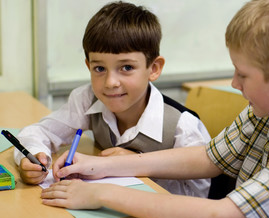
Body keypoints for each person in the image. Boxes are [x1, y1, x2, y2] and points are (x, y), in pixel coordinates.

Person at [41, 0, 269, 218]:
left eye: (242, 74)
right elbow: (208, 157)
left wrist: (102, 195)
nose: (234, 83)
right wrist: (102, 165)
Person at [14, 1, 211, 198]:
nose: (110, 82)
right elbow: (37, 132)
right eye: (99, 68)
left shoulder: (182, 127)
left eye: (126, 68)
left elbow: (197, 197)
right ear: (88, 65)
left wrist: (135, 166)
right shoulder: (87, 99)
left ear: (154, 68)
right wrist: (33, 156)